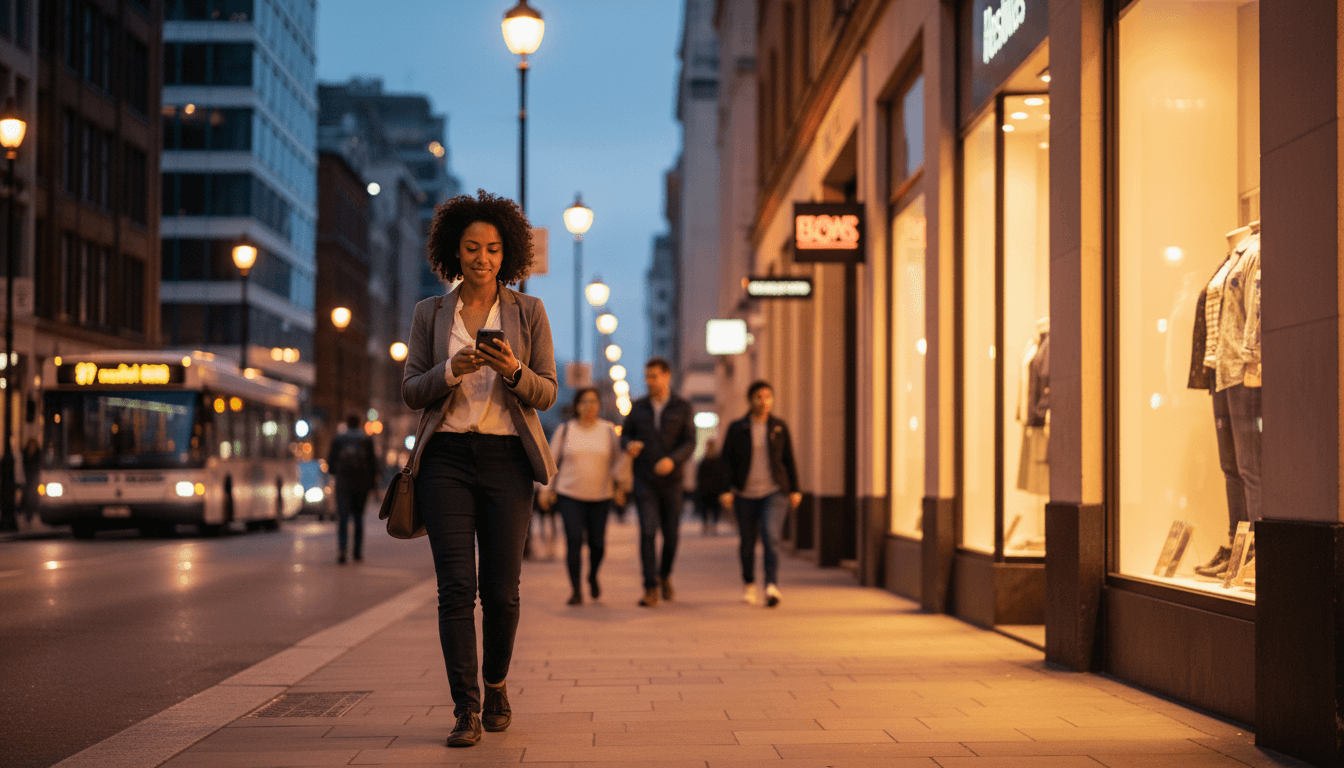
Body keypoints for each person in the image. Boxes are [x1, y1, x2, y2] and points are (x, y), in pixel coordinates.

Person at [400, 190, 557, 748]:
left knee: (503, 590)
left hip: (506, 460)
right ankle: (465, 709)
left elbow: (547, 392)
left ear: (507, 253)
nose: (482, 258)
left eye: (492, 249)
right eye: (471, 248)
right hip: (444, 459)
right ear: (453, 252)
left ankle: (496, 685)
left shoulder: (528, 312)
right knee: (455, 589)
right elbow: (411, 390)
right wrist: (450, 369)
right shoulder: (430, 312)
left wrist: (513, 370)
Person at [540, 387, 629, 605]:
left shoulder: (608, 430)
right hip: (569, 495)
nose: (589, 406)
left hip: (601, 495)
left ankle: (592, 576)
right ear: (576, 406)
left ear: (599, 405)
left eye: (594, 401)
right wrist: (546, 490)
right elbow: (551, 461)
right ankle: (576, 590)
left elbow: (618, 462)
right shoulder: (566, 430)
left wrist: (621, 487)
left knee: (598, 544)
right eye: (584, 402)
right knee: (574, 541)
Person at [621, 357, 696, 607]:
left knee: (671, 535)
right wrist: (629, 445)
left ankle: (664, 576)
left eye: (654, 376)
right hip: (644, 480)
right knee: (647, 532)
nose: (649, 381)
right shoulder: (638, 406)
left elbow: (690, 442)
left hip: (672, 481)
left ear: (667, 376)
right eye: (647, 376)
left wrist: (673, 461)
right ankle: (650, 587)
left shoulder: (682, 407)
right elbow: (626, 434)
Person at [720, 381, 801, 608]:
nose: (764, 402)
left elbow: (788, 460)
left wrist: (795, 489)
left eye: (768, 397)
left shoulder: (778, 427)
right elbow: (726, 461)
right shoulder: (737, 428)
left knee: (771, 536)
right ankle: (749, 583)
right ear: (750, 400)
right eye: (759, 397)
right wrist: (725, 490)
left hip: (774, 492)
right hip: (744, 493)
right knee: (747, 542)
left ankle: (771, 585)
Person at [327, 414, 378, 564]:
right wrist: (373, 486)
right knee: (358, 518)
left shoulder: (339, 438)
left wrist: (336, 475)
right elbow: (372, 464)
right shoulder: (366, 439)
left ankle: (342, 550)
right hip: (361, 484)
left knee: (342, 518)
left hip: (343, 483)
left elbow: (331, 463)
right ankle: (357, 552)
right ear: (359, 423)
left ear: (347, 423)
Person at [694, 440, 730, 535]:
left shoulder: (704, 461)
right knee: (713, 510)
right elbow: (722, 476)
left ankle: (707, 526)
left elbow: (699, 477)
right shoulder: (717, 461)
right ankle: (712, 526)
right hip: (713, 490)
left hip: (707, 490)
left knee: (708, 509)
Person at [20, 437, 40, 525]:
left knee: (30, 495)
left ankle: (29, 514)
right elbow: (24, 465)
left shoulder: (38, 453)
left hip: (34, 477)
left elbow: (38, 465)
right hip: (27, 477)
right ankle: (25, 512)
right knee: (27, 495)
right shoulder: (25, 453)